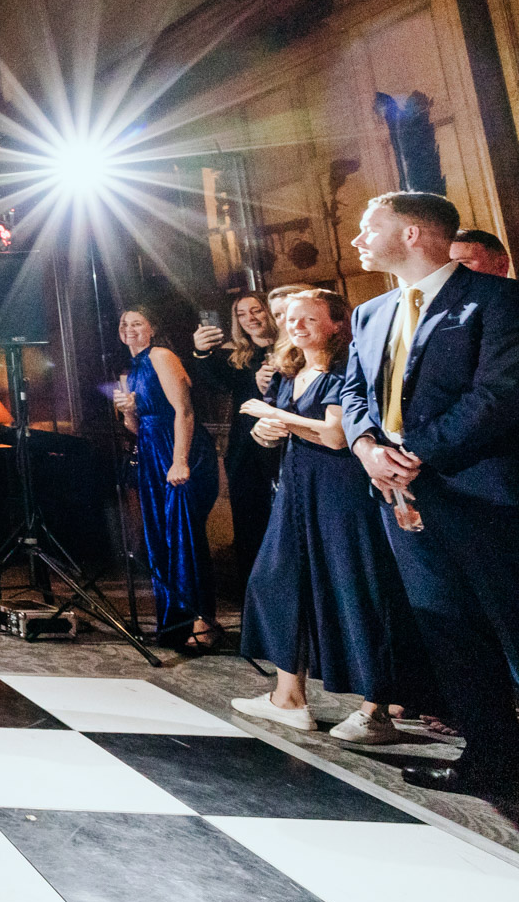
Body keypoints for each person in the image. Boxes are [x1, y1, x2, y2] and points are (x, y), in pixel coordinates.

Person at [340, 191, 519, 799]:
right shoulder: (369, 313)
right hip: (403, 501)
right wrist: (367, 449)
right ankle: (492, 760)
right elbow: (355, 393)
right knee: (451, 635)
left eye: (371, 228)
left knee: (511, 628)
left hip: (483, 495)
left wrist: (413, 454)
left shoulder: (498, 300)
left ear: (413, 233)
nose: (359, 240)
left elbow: (497, 395)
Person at [232, 288, 433, 742]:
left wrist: (268, 412)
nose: (294, 326)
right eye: (290, 319)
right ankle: (288, 698)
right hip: (296, 489)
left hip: (342, 492)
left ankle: (375, 709)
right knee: (277, 580)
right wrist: (267, 428)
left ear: (337, 324)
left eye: (307, 319)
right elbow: (282, 430)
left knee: (355, 588)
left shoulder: (345, 367)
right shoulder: (292, 369)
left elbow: (337, 435)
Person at [115, 304, 220, 651]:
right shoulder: (128, 373)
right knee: (160, 540)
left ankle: (204, 622)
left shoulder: (160, 355)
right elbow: (135, 429)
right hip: (149, 455)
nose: (129, 328)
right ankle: (174, 624)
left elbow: (184, 411)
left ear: (151, 328)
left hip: (179, 450)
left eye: (137, 323)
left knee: (185, 538)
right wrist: (128, 413)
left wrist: (179, 460)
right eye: (124, 323)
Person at [190, 292, 285, 597]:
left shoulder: (288, 346)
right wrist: (201, 352)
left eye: (256, 311)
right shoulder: (237, 355)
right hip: (245, 450)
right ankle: (256, 600)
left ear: (268, 312)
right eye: (242, 315)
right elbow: (213, 381)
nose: (251, 319)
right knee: (249, 525)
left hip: (285, 446)